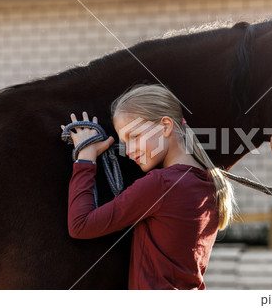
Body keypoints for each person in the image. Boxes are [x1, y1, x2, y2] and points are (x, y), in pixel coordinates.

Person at [60, 84, 235, 290]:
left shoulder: (161, 184)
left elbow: (80, 226)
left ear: (166, 126)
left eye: (134, 136)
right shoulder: (210, 183)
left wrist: (85, 156)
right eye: (124, 142)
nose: (130, 150)